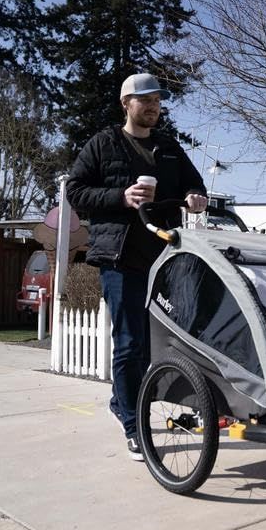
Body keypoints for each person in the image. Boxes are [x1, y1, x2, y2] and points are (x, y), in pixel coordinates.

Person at [67, 73, 208, 460]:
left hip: (165, 258)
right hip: (120, 257)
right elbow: (75, 191)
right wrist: (120, 196)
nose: (153, 107)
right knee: (130, 343)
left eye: (158, 101)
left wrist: (195, 197)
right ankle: (133, 424)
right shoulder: (104, 144)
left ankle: (122, 402)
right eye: (145, 100)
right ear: (126, 103)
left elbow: (195, 186)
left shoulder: (169, 147)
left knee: (157, 344)